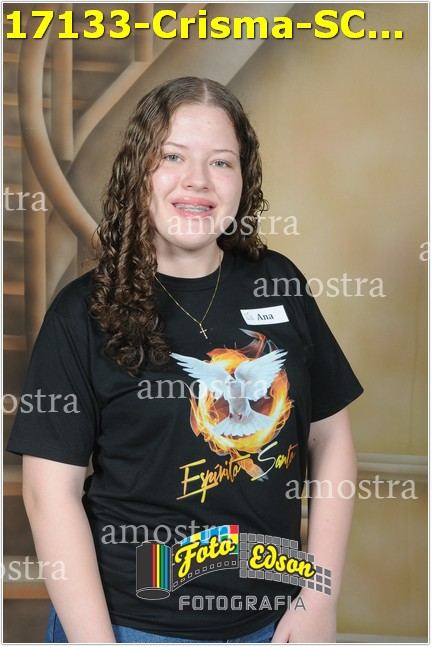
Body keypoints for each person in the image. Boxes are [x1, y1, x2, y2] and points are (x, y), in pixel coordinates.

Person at [7, 76, 364, 644]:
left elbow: (332, 438)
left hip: (275, 625)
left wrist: (319, 597)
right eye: (172, 156)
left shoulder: (279, 281)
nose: (198, 179)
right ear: (138, 172)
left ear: (243, 180)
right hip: (130, 626)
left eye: (221, 162)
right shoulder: (81, 313)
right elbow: (49, 495)